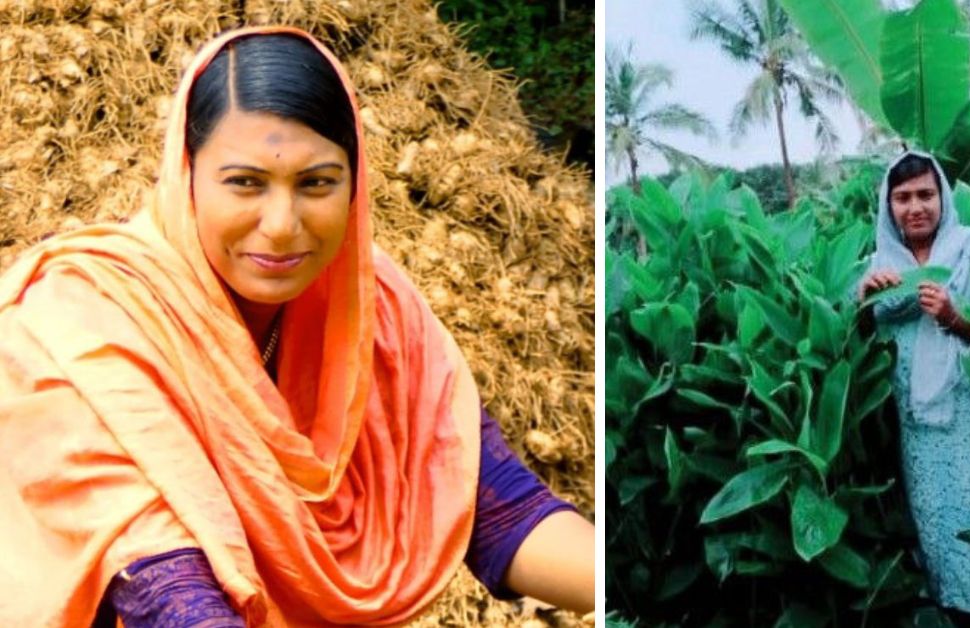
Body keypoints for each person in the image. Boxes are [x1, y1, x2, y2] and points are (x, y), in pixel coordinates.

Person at [0, 27, 593, 626]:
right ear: (187, 177)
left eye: (316, 183)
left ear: (355, 183)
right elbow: (166, 590)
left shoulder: (374, 312)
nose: (282, 225)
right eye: (245, 183)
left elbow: (499, 512)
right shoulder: (83, 319)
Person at [857, 151, 970, 619]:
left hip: (968, 416)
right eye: (902, 197)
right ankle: (943, 606)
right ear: (888, 206)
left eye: (926, 194)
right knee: (931, 521)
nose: (915, 206)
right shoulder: (877, 265)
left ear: (943, 197)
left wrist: (954, 318)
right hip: (914, 423)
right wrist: (866, 302)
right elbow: (855, 352)